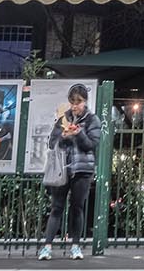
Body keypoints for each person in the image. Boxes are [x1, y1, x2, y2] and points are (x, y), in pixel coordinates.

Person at [39, 84, 102, 261]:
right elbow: (52, 142)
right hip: (62, 169)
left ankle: (75, 246)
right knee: (56, 208)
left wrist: (79, 133)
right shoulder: (63, 119)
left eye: (78, 102)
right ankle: (47, 247)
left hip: (82, 170)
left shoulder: (92, 120)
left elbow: (91, 145)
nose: (75, 106)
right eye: (72, 102)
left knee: (77, 207)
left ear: (85, 102)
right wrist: (63, 137)